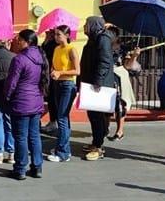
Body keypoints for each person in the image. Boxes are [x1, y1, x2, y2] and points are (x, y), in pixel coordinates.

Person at [4, 30, 48, 180]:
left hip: (21, 101)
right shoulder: (41, 57)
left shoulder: (19, 59)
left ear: (26, 42)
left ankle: (20, 168)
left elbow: (11, 82)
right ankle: (37, 167)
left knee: (21, 137)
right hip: (36, 100)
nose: (17, 42)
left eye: (19, 40)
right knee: (34, 136)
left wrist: (7, 97)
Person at [79, 16, 116, 161]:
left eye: (87, 24)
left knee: (98, 117)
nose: (84, 27)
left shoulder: (103, 39)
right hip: (91, 82)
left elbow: (105, 61)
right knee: (93, 115)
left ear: (94, 25)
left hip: (98, 84)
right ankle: (95, 142)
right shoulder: (94, 38)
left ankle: (99, 147)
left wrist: (98, 80)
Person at [46, 25, 80, 162]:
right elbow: (54, 65)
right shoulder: (56, 49)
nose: (56, 37)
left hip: (67, 85)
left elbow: (77, 71)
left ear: (67, 35)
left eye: (59, 34)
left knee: (61, 118)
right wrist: (54, 72)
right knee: (64, 118)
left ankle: (62, 153)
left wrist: (61, 73)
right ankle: (65, 148)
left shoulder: (71, 50)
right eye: (55, 34)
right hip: (57, 83)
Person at [106, 25, 142, 142]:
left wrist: (134, 56)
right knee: (106, 104)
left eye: (110, 34)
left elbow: (127, 66)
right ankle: (105, 128)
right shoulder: (104, 47)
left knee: (120, 104)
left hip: (120, 78)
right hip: (107, 76)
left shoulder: (123, 48)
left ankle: (119, 131)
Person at [40, 29, 58, 134]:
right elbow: (42, 52)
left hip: (53, 74)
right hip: (47, 74)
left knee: (54, 100)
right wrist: (46, 39)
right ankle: (53, 122)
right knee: (51, 100)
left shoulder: (56, 45)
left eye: (53, 33)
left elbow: (46, 53)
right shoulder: (49, 42)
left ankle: (54, 122)